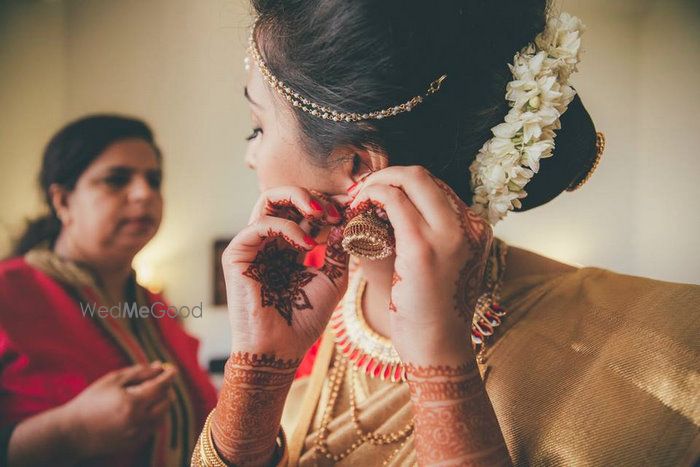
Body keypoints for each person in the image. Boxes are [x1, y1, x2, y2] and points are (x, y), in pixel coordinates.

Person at [192, 1, 700, 466]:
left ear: (358, 165)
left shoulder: (668, 351)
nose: (249, 156)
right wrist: (258, 373)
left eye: (256, 128)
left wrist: (442, 366)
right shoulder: (307, 314)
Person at [0, 115, 217, 466]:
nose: (144, 193)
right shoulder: (8, 294)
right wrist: (69, 432)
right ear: (63, 202)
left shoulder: (156, 307)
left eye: (154, 179)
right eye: (116, 180)